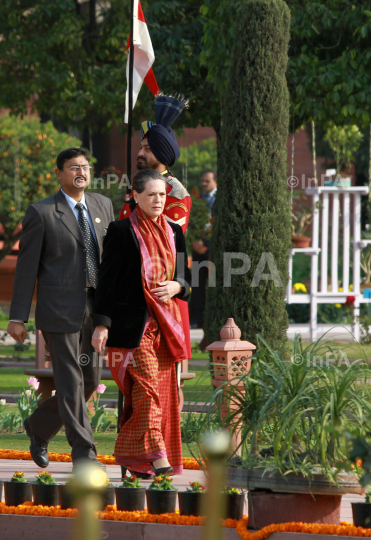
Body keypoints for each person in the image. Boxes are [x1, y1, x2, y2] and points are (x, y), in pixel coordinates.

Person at [7, 147, 115, 469]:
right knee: (70, 381)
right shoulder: (41, 212)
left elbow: (108, 260)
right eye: (73, 167)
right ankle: (84, 454)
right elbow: (26, 268)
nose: (81, 172)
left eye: (85, 166)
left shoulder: (102, 205)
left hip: (95, 310)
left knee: (91, 381)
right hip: (59, 311)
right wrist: (17, 317)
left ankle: (38, 427)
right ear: (59, 173)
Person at [92, 168, 191, 477]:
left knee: (162, 396)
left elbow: (187, 280)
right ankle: (157, 457)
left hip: (166, 327)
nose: (158, 200)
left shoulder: (175, 232)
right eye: (151, 194)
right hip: (133, 328)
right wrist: (102, 324)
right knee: (147, 391)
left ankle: (139, 464)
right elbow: (106, 282)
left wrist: (178, 287)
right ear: (135, 196)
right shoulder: (121, 231)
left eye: (162, 194)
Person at [119, 93, 192, 362]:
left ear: (163, 153)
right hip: (131, 290)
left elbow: (166, 245)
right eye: (140, 147)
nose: (140, 152)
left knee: (169, 372)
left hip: (163, 290)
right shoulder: (135, 188)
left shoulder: (177, 193)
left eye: (147, 149)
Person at [190, 170, 217, 330]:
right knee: (197, 284)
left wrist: (209, 244)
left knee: (213, 284)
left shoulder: (221, 198)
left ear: (215, 182)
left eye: (207, 181)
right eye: (203, 181)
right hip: (197, 247)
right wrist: (194, 242)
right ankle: (197, 319)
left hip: (213, 248)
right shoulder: (198, 199)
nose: (204, 184)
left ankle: (212, 318)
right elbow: (192, 221)